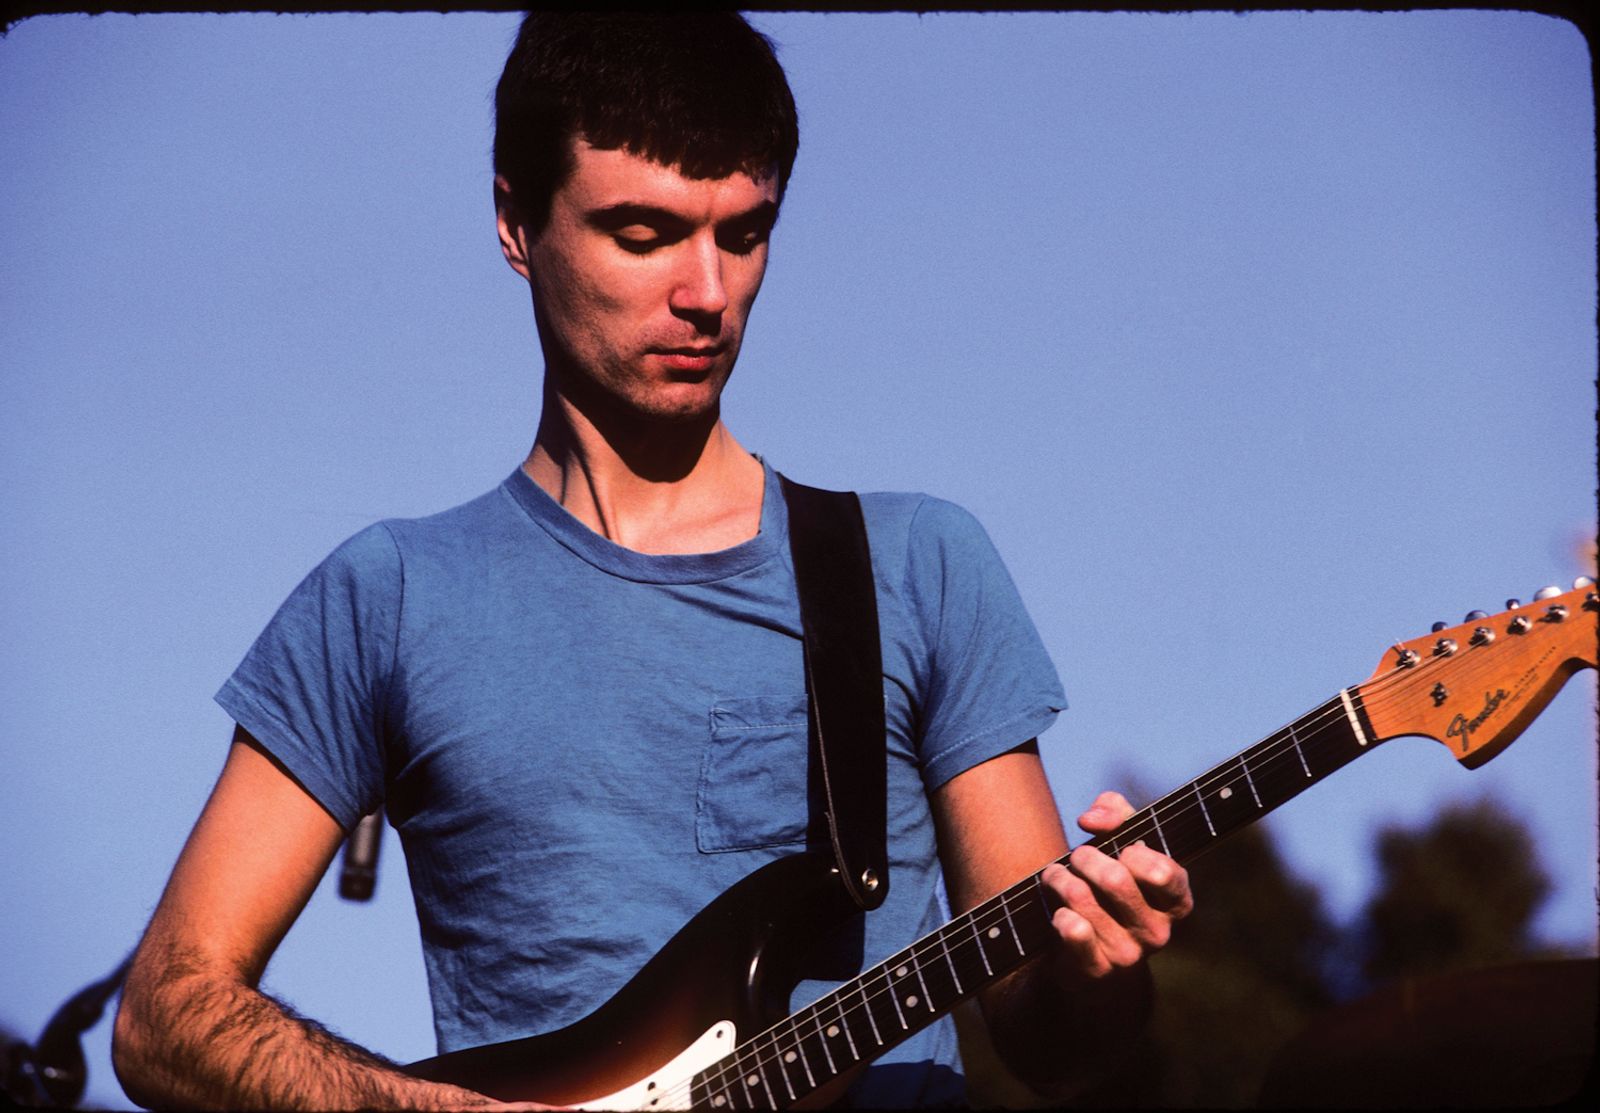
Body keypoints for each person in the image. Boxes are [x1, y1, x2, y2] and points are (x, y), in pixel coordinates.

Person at [112, 13, 1193, 1110]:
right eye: (644, 235)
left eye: (743, 233)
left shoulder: (919, 565)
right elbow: (166, 1013)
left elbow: (1049, 1039)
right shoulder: (387, 598)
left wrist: (1095, 962)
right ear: (514, 223)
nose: (707, 294)